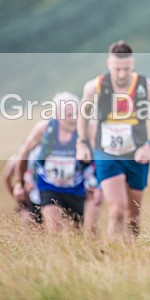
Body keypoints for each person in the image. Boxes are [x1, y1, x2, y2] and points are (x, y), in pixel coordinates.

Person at [77, 40, 150, 240]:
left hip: (136, 156)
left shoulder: (145, 86)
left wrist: (149, 146)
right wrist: (82, 143)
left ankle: (132, 253)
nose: (121, 74)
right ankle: (112, 258)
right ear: (109, 64)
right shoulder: (95, 87)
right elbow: (82, 116)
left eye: (126, 69)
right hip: (106, 154)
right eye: (117, 69)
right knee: (117, 210)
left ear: (133, 64)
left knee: (133, 216)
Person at [16, 92, 101, 232]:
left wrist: (98, 184)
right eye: (69, 115)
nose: (74, 118)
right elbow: (23, 153)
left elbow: (100, 157)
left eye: (76, 113)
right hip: (50, 186)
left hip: (78, 187)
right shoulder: (44, 130)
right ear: (57, 116)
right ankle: (55, 251)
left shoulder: (88, 129)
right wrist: (20, 183)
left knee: (80, 231)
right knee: (53, 228)